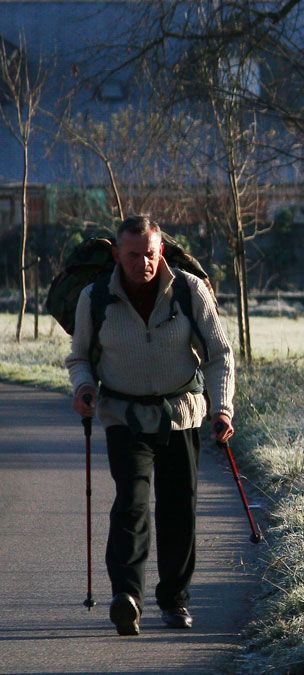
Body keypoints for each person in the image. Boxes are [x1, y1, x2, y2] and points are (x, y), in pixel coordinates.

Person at [65, 215, 235, 636]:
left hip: (181, 414)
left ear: (162, 251)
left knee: (179, 508)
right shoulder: (96, 296)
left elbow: (219, 354)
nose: (144, 262)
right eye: (134, 255)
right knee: (132, 503)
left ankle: (175, 599)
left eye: (151, 254)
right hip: (124, 416)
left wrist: (223, 409)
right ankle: (128, 597)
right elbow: (80, 356)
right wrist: (84, 387)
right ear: (118, 254)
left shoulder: (189, 290)